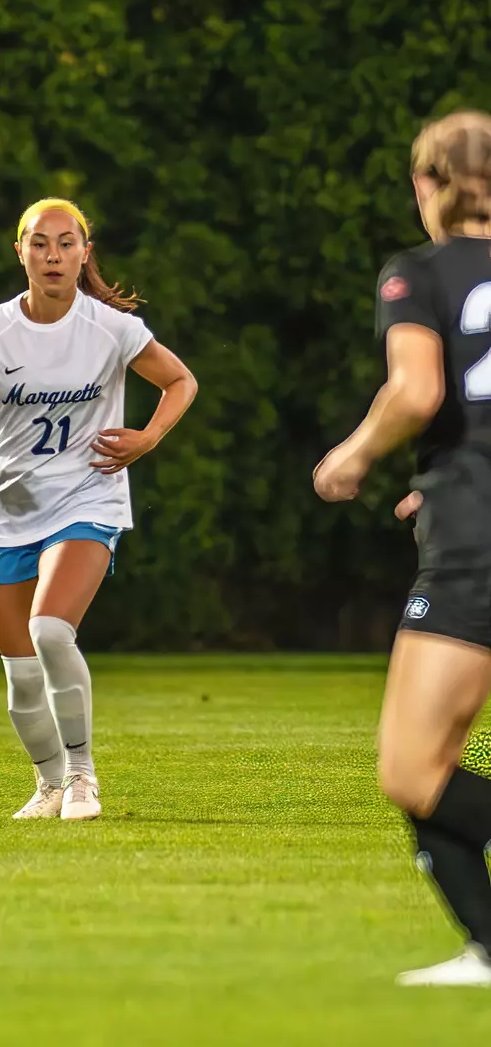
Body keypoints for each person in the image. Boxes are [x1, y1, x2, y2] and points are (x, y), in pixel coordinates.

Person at [0, 197, 197, 821]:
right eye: (39, 243)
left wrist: (147, 437)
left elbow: (180, 381)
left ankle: (83, 778)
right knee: (21, 676)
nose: (53, 255)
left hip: (88, 499)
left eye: (65, 243)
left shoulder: (111, 327)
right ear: (20, 251)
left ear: (85, 253)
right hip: (10, 512)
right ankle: (49, 785)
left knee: (50, 629)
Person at [314, 109, 491, 985]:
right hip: (469, 510)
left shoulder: (417, 274)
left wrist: (354, 455)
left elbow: (417, 389)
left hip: (476, 541)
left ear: (427, 186)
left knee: (413, 768)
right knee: (432, 767)